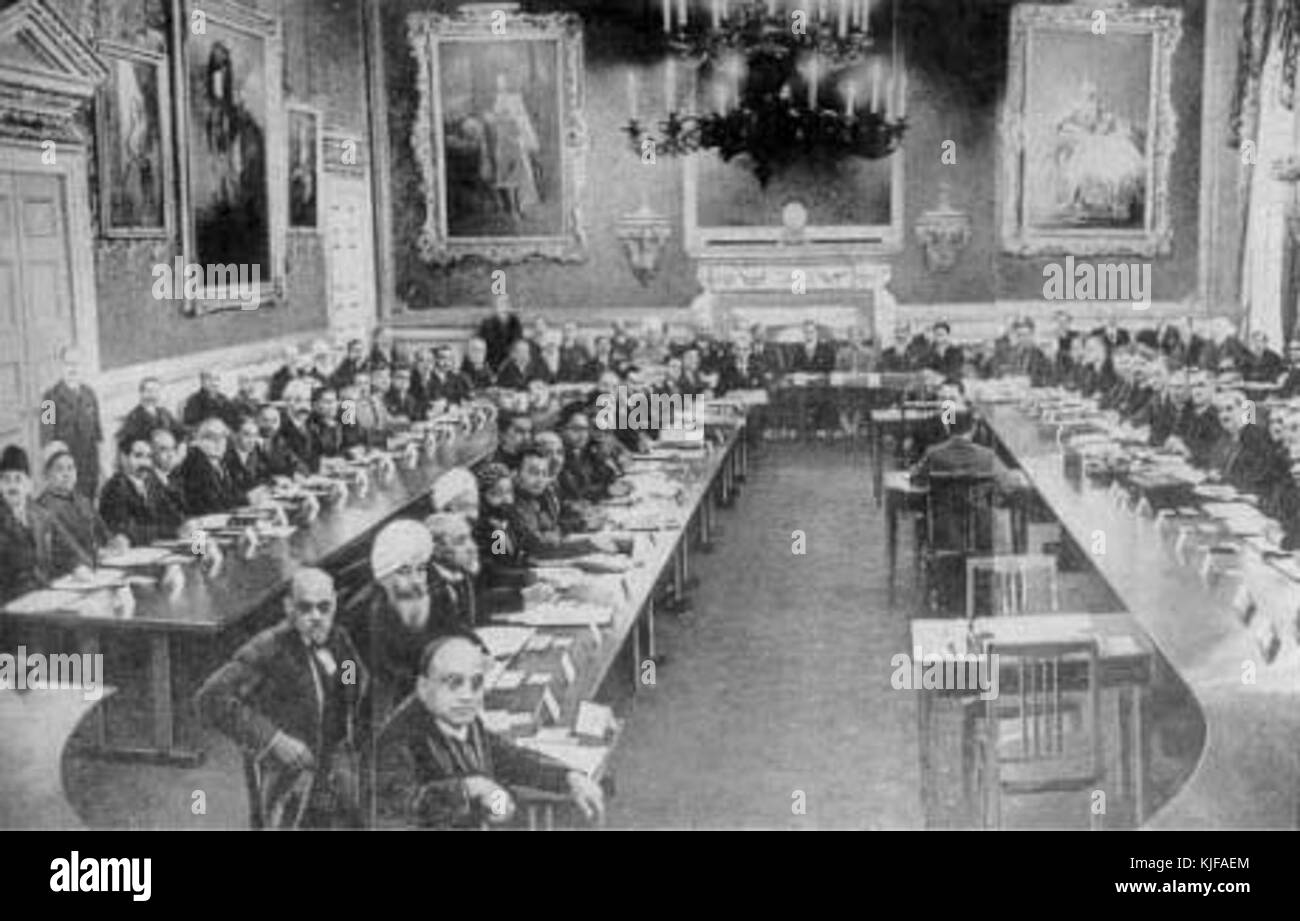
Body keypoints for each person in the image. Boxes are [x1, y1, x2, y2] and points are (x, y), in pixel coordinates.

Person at [374, 634, 605, 829]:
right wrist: (472, 787)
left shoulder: (459, 716)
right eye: (453, 683)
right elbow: (397, 808)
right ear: (423, 688)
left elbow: (509, 757)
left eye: (476, 683)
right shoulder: (397, 738)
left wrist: (568, 777)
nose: (467, 695)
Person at [197, 568, 369, 829]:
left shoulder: (338, 639)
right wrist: (274, 739)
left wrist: (348, 719)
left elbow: (351, 679)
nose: (316, 617)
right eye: (305, 608)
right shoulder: (268, 648)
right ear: (289, 607)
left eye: (324, 608)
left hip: (329, 762)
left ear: (335, 602)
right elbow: (211, 698)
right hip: (284, 770)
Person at [0, 445, 85, 603]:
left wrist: (78, 567)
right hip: (9, 606)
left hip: (44, 597)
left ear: (28, 484)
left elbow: (69, 549)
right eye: (5, 479)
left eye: (18, 479)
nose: (12, 486)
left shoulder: (41, 515)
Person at [36, 442, 125, 563]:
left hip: (98, 565)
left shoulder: (83, 501)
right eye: (59, 469)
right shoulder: (42, 508)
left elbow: (104, 534)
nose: (66, 474)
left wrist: (115, 541)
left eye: (70, 468)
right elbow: (51, 554)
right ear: (47, 474)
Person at [40, 346, 103, 500]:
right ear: (61, 366)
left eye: (77, 364)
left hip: (89, 467)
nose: (72, 368)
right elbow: (47, 440)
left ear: (82, 366)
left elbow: (97, 435)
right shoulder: (50, 397)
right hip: (65, 470)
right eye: (68, 364)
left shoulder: (90, 394)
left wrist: (101, 467)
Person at [99, 436, 187, 546]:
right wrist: (172, 531)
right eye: (138, 456)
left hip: (157, 546)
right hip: (132, 553)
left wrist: (184, 525)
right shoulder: (115, 488)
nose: (145, 463)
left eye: (148, 457)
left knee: (201, 549)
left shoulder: (151, 483)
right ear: (123, 458)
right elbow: (128, 531)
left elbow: (171, 512)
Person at [174, 418, 252, 516]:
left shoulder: (221, 462)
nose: (218, 442)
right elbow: (210, 505)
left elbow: (233, 491)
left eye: (222, 437)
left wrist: (248, 499)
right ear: (198, 441)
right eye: (211, 438)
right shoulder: (195, 465)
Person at [119, 376, 185, 448]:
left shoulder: (164, 413)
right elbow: (125, 443)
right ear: (142, 393)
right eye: (149, 391)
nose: (153, 395)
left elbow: (179, 431)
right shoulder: (133, 417)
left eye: (156, 391)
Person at [225, 414, 271, 495]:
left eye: (255, 435)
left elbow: (265, 475)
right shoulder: (225, 456)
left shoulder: (257, 450)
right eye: (246, 435)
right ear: (235, 434)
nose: (252, 440)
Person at [477, 293, 522, 371]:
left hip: (511, 363)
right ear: (495, 307)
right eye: (500, 304)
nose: (503, 307)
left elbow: (518, 342)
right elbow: (481, 344)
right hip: (492, 363)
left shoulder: (515, 323)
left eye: (506, 303)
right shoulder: (487, 324)